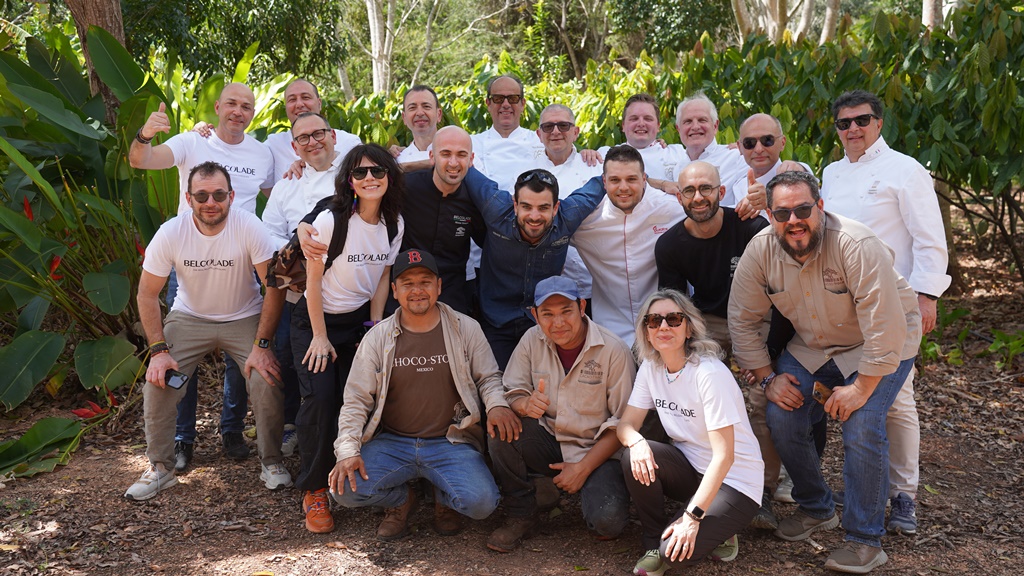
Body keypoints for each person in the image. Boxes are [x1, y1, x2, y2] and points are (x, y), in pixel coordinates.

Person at [728, 170, 921, 573]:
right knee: (781, 412)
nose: (793, 220)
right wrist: (768, 377)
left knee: (862, 423)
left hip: (882, 343)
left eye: (802, 209)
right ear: (769, 214)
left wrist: (862, 386)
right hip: (815, 346)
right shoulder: (760, 250)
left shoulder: (856, 244)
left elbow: (885, 325)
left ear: (820, 207)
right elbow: (742, 320)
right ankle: (817, 506)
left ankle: (865, 539)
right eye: (782, 213)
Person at [821, 90, 951, 535]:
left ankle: (903, 496)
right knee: (869, 399)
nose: (853, 129)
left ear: (878, 122)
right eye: (844, 123)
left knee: (896, 401)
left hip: (896, 302)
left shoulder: (905, 169)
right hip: (843, 303)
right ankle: (868, 488)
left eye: (862, 120)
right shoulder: (831, 173)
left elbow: (928, 237)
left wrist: (927, 295)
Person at [130, 82, 273, 469]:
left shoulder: (262, 153)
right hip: (191, 258)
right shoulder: (194, 141)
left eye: (246, 106)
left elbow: (278, 192)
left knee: (239, 362)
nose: (238, 111)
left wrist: (294, 169)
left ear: (253, 113)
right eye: (231, 103)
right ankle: (183, 439)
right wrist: (146, 133)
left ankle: (231, 430)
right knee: (182, 357)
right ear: (217, 106)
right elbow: (141, 160)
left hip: (243, 259)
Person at [330, 250, 519, 540]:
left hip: (450, 441)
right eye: (407, 283)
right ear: (394, 290)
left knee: (482, 504)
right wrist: (348, 451)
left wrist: (496, 405)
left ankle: (444, 498)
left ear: (439, 287)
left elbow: (489, 378)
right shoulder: (378, 338)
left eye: (425, 282)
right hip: (393, 442)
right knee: (343, 490)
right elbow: (356, 400)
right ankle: (401, 500)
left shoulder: (465, 328)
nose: (417, 290)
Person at [126, 161, 288, 500]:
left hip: (243, 316)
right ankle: (160, 468)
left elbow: (273, 286)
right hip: (189, 317)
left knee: (266, 377)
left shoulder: (248, 225)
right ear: (189, 198)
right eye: (201, 195)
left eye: (218, 194)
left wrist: (262, 344)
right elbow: (147, 293)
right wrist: (158, 351)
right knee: (158, 382)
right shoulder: (172, 231)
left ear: (231, 196)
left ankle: (271, 462)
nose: (210, 202)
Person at [654, 161, 776, 529]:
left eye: (706, 188)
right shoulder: (670, 244)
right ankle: (690, 477)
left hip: (757, 318)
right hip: (708, 322)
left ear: (721, 193)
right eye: (689, 190)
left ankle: (762, 492)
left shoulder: (752, 228)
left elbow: (777, 288)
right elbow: (675, 306)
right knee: (680, 380)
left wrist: (766, 357)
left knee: (762, 400)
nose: (698, 197)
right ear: (679, 197)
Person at [292, 144, 405, 534]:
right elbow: (312, 281)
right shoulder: (331, 220)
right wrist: (320, 337)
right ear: (349, 182)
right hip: (316, 320)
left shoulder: (394, 223)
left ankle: (353, 476)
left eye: (377, 171)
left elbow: (383, 279)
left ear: (389, 176)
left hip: (358, 322)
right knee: (321, 399)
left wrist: (373, 327)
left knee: (355, 399)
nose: (370, 179)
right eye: (360, 173)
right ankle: (313, 490)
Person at [617, 290, 763, 574]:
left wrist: (692, 518)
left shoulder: (709, 374)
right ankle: (653, 538)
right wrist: (636, 443)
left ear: (689, 328)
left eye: (673, 319)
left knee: (672, 556)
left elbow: (724, 456)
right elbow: (625, 425)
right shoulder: (651, 366)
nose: (663, 327)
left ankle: (718, 525)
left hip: (735, 482)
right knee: (630, 456)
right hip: (691, 470)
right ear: (646, 331)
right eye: (654, 321)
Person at [487, 276, 635, 552]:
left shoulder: (614, 350)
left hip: (597, 451)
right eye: (547, 314)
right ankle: (522, 513)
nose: (558, 323)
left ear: (581, 307)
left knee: (608, 523)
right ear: (535, 315)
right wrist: (524, 405)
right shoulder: (531, 339)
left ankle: (574, 489)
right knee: (502, 426)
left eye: (566, 311)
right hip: (549, 439)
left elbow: (624, 424)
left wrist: (583, 468)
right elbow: (513, 390)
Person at [462, 166, 605, 369]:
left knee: (549, 390)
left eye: (543, 208)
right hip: (495, 322)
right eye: (527, 207)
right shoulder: (495, 207)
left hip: (543, 325)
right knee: (495, 387)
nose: (534, 216)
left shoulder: (569, 215)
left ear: (556, 208)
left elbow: (608, 178)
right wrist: (401, 157)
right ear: (515, 205)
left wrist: (660, 183)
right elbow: (459, 166)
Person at [262, 111, 344, 456]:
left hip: (350, 292)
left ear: (333, 136)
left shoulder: (356, 173)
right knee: (300, 367)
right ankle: (302, 434)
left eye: (319, 134)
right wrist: (294, 244)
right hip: (300, 295)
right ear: (295, 148)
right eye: (304, 139)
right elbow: (268, 236)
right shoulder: (286, 187)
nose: (313, 142)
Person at [571, 145, 684, 346]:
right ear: (604, 182)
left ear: (644, 179)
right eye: (615, 180)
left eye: (631, 179)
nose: (623, 187)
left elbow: (713, 215)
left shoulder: (672, 207)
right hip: (609, 329)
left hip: (664, 324)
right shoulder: (586, 218)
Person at [530, 104, 601, 312]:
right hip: (548, 282)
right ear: (538, 134)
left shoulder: (595, 165)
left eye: (563, 125)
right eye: (548, 127)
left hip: (597, 279)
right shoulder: (525, 172)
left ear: (575, 132)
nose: (555, 132)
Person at [648, 92, 748, 201]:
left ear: (715, 126)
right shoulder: (676, 166)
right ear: (678, 129)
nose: (695, 127)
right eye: (688, 121)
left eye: (702, 120)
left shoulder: (736, 157)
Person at [264, 79, 362, 181]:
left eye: (305, 97)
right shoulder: (273, 145)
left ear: (319, 103)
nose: (299, 104)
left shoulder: (350, 142)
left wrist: (312, 164)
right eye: (292, 100)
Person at [729, 113, 810, 219]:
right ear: (740, 147)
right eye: (749, 143)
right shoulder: (738, 185)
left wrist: (771, 202)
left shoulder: (793, 175)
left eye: (767, 140)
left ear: (782, 143)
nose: (758, 149)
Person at [597, 93, 685, 182]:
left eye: (648, 119)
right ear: (623, 125)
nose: (641, 124)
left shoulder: (677, 154)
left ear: (658, 126)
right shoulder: (603, 156)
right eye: (634, 119)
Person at [394, 85, 443, 164]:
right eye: (412, 108)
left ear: (439, 114)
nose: (420, 113)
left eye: (426, 106)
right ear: (404, 118)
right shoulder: (398, 160)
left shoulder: (466, 147)